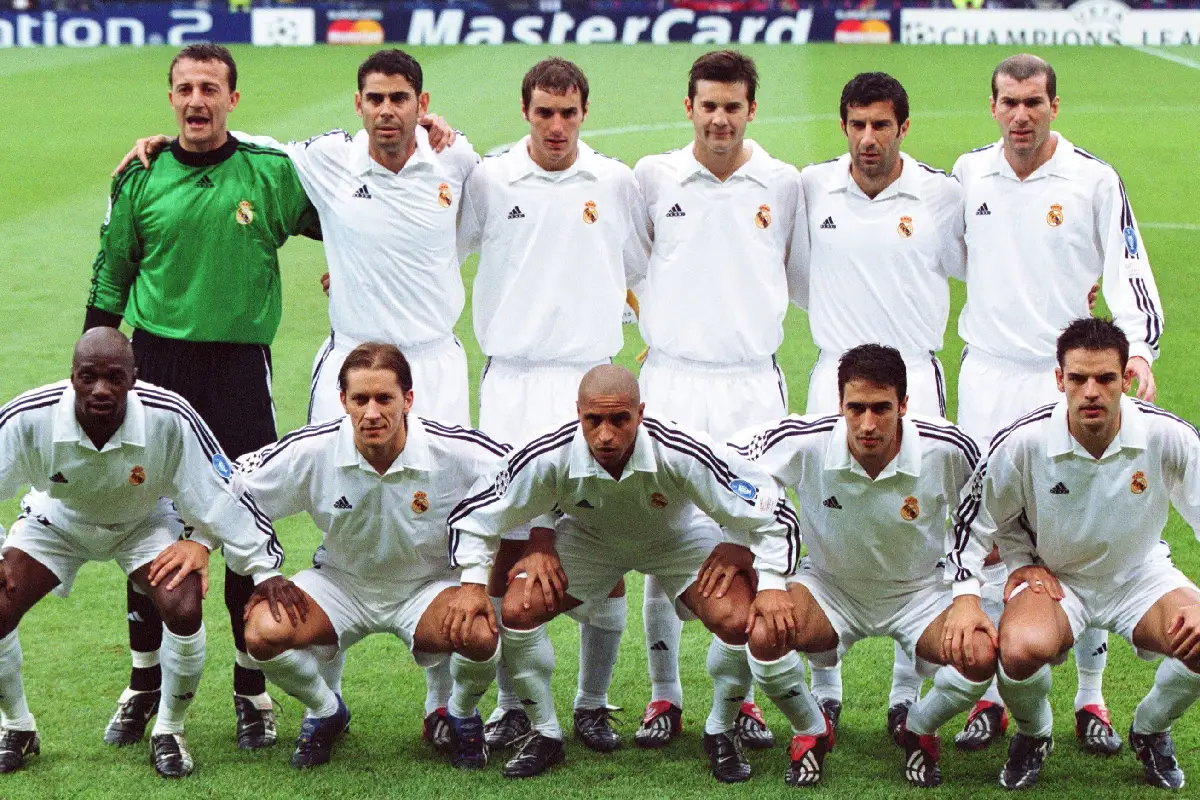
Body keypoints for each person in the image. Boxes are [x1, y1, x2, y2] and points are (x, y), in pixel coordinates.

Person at [84, 44, 320, 752]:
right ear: (170, 98)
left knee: (244, 526)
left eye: (210, 88)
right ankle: (144, 682)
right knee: (147, 524)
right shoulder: (140, 176)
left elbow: (352, 218)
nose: (196, 100)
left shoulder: (269, 174)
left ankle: (251, 689)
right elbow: (110, 276)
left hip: (242, 371)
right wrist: (95, 374)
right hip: (155, 366)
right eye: (184, 88)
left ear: (233, 100)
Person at [445, 365, 818, 782]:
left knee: (735, 616)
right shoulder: (550, 452)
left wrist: (765, 578)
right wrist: (475, 582)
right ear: (578, 415)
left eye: (619, 419)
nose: (605, 435)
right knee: (518, 607)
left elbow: (770, 508)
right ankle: (545, 734)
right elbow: (476, 513)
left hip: (676, 539)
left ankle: (720, 729)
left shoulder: (679, 448)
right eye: (594, 421)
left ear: (640, 413)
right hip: (592, 541)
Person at [950, 53, 1166, 753]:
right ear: (992, 108)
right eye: (1009, 102)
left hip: (1070, 382)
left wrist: (1137, 351)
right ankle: (988, 698)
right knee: (985, 536)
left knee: (1088, 528)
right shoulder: (967, 174)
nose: (1021, 115)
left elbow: (1127, 263)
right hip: (986, 376)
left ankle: (1092, 698)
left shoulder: (1092, 179)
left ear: (1054, 105)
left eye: (1033, 102)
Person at [167, 343, 503, 770]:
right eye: (360, 399)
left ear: (409, 400)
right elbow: (233, 485)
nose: (372, 412)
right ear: (342, 401)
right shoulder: (313, 450)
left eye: (385, 399)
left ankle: (459, 714)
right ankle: (326, 711)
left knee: (479, 632)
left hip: (428, 587)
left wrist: (498, 565)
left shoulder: (454, 450)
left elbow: (522, 479)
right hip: (341, 584)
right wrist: (199, 540)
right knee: (261, 632)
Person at [456, 58, 650, 754]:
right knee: (512, 542)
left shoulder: (614, 181)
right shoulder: (491, 177)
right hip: (512, 380)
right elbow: (448, 248)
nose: (557, 125)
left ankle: (593, 703)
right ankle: (513, 704)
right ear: (525, 110)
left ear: (585, 112)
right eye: (544, 111)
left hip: (588, 388)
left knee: (606, 534)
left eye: (568, 112)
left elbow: (636, 269)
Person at [0, 328, 298, 777]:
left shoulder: (170, 415)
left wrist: (264, 569)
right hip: (60, 521)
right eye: (88, 377)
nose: (101, 389)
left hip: (145, 523)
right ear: (73, 377)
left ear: (134, 378)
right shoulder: (29, 416)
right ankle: (17, 725)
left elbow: (221, 491)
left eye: (115, 378)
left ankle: (169, 730)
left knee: (182, 604)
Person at [629, 49, 805, 759]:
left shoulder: (784, 183)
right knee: (658, 536)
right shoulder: (654, 176)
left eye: (733, 106)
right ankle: (664, 692)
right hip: (669, 380)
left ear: (751, 110)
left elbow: (796, 271)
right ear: (689, 107)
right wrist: (658, 336)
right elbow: (626, 261)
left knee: (751, 537)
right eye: (709, 104)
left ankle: (745, 700)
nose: (721, 117)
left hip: (751, 386)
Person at [948, 318, 1199, 791]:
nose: (1091, 391)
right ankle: (1034, 733)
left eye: (1105, 378)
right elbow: (971, 523)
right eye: (1078, 378)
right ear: (1059, 380)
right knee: (1019, 651)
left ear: (1126, 380)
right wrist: (966, 597)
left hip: (1139, 576)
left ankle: (1150, 728)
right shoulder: (1024, 442)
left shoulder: (1169, 436)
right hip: (1057, 579)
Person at [729, 344, 994, 787]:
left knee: (980, 654)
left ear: (904, 405)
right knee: (763, 633)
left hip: (919, 592)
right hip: (831, 589)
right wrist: (745, 548)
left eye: (881, 409)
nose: (867, 424)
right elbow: (724, 466)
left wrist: (976, 587)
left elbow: (991, 506)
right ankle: (811, 729)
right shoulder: (805, 440)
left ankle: (920, 727)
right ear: (840, 405)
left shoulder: (948, 447)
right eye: (855, 409)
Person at [795, 71, 967, 736]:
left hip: (916, 379)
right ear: (843, 126)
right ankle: (825, 689)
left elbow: (979, 262)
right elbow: (793, 272)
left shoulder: (942, 196)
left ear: (903, 126)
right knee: (821, 520)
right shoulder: (812, 187)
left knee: (917, 524)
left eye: (882, 125)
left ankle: (903, 692)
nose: (869, 138)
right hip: (833, 378)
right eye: (858, 125)